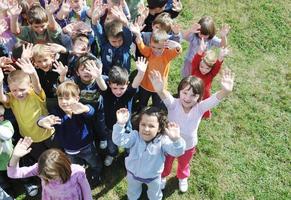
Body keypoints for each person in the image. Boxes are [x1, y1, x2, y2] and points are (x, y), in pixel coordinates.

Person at [149, 68, 235, 192]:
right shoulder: (173, 104)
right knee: (166, 162)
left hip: (188, 145)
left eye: (193, 95)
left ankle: (182, 177)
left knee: (184, 163)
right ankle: (163, 176)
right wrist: (160, 90)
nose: (188, 98)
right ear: (179, 92)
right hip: (169, 143)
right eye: (185, 93)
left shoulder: (200, 108)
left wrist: (225, 91)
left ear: (200, 97)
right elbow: (164, 95)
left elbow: (214, 100)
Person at [113, 107, 186, 200]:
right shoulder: (135, 136)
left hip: (153, 178)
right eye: (143, 124)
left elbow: (177, 152)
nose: (146, 129)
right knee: (132, 191)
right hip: (133, 174)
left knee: (155, 194)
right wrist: (120, 124)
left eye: (151, 126)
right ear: (138, 124)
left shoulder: (162, 141)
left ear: (159, 128)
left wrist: (176, 140)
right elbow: (118, 140)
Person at [37, 81, 102, 183]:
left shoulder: (79, 110)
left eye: (67, 98)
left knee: (93, 161)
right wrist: (41, 122)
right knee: (75, 165)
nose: (63, 102)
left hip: (86, 146)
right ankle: (80, 175)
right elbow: (44, 119)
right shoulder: (56, 112)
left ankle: (97, 172)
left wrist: (85, 108)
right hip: (69, 149)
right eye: (60, 98)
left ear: (76, 99)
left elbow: (91, 112)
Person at [7, 137, 93, 200]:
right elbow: (13, 174)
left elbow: (87, 193)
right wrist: (15, 157)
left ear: (63, 167)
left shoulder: (77, 172)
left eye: (52, 176)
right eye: (45, 176)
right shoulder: (40, 168)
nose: (47, 179)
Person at [100, 57, 148, 166]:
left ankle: (129, 153)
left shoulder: (128, 94)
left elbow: (136, 83)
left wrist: (141, 72)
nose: (118, 91)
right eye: (115, 88)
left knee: (128, 142)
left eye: (122, 88)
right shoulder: (107, 93)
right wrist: (98, 76)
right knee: (111, 144)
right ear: (110, 85)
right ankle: (112, 154)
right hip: (110, 126)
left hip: (126, 126)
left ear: (127, 84)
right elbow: (102, 86)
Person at [130, 23, 182, 111]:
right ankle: (141, 113)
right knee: (142, 102)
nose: (156, 50)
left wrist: (176, 46)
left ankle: (156, 115)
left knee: (157, 105)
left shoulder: (167, 54)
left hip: (159, 86)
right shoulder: (150, 51)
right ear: (150, 43)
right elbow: (141, 46)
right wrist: (138, 34)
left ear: (165, 46)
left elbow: (178, 51)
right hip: (145, 84)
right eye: (153, 47)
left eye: (159, 48)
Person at [191, 38, 230, 118]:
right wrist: (200, 51)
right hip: (192, 92)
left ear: (211, 69)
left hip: (205, 95)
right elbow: (196, 59)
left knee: (204, 106)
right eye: (202, 67)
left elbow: (217, 65)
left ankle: (205, 115)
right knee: (191, 104)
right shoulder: (195, 69)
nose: (204, 70)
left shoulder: (211, 74)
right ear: (199, 64)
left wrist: (221, 56)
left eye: (207, 68)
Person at [92, 3, 133, 74]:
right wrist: (94, 20)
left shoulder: (126, 44)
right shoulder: (104, 44)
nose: (117, 44)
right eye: (114, 41)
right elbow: (99, 33)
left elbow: (128, 33)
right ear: (108, 39)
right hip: (107, 75)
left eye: (120, 40)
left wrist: (125, 23)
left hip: (123, 77)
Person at [0, 105, 14, 199]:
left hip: (12, 159)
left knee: (17, 171)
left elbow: (7, 134)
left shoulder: (6, 123)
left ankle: (27, 181)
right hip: (0, 164)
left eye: (0, 115)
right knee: (2, 179)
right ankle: (7, 189)